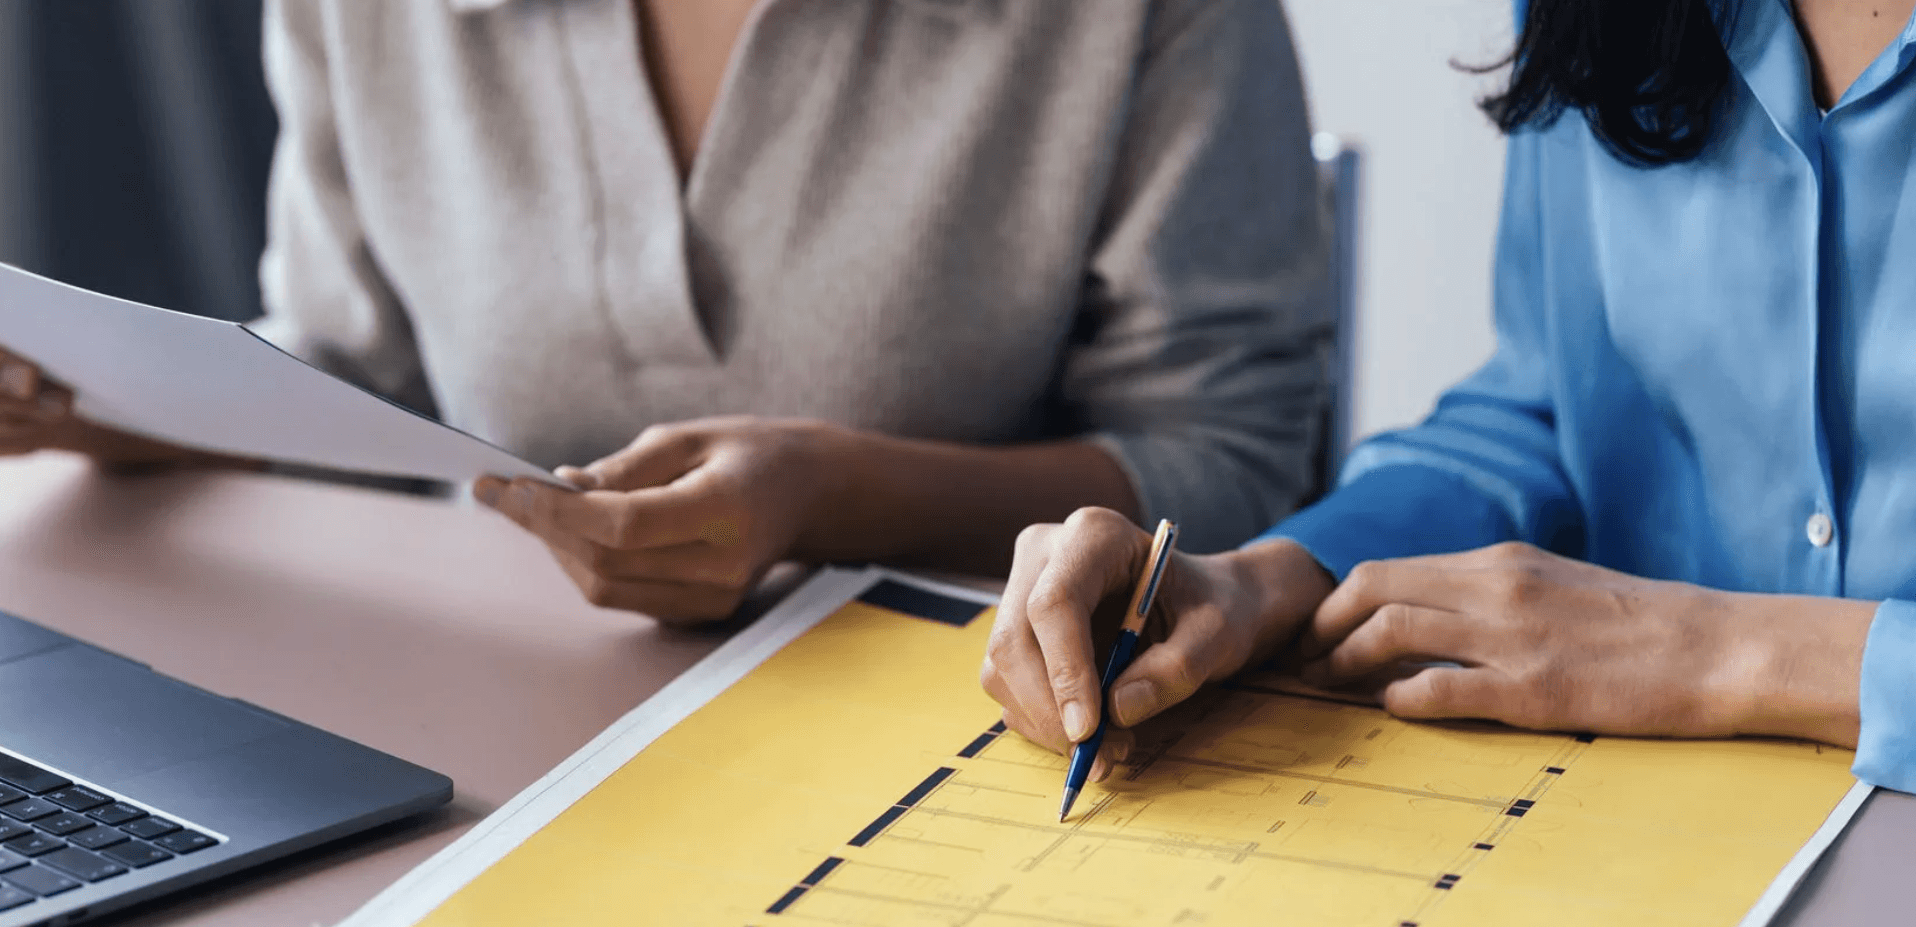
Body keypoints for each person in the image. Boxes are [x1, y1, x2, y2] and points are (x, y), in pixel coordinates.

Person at [983, 0, 1916, 821]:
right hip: (1632, 844)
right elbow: (1551, 412)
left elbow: (1698, 643)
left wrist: (1735, 655)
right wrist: (1270, 580)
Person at [0, 0, 1329, 621]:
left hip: (979, 729)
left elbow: (1227, 466)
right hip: (492, 711)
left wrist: (838, 499)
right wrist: (94, 406)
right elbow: (351, 369)